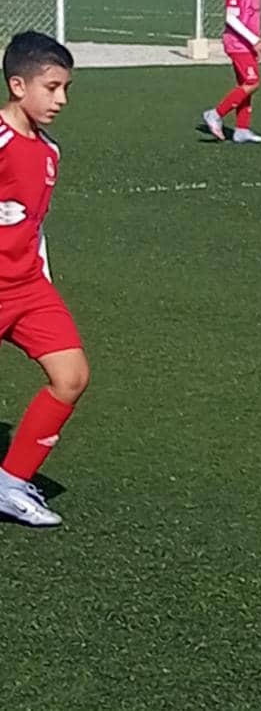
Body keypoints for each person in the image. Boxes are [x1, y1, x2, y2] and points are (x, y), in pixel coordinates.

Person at [0, 31, 90, 527]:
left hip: (30, 288)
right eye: (52, 87)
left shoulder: (50, 152)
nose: (61, 100)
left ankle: (10, 484)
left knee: (71, 377)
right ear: (18, 86)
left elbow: (34, 227)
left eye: (65, 89)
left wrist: (45, 282)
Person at [202, 0, 261, 144]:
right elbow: (231, 19)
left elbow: (251, 19)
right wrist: (254, 41)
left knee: (245, 85)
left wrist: (254, 42)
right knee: (252, 82)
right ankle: (215, 114)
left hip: (247, 44)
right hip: (237, 44)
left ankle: (242, 129)